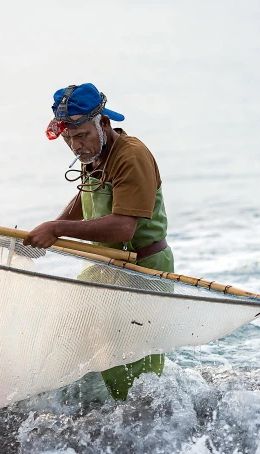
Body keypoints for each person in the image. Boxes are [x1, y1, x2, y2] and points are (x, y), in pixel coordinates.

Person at [23, 83, 174, 400]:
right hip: (102, 267)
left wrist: (56, 229)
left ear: (103, 123)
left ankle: (141, 423)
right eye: (69, 140)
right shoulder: (93, 151)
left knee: (134, 362)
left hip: (142, 270)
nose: (76, 146)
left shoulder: (131, 157)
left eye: (82, 136)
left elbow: (123, 228)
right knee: (74, 340)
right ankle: (92, 415)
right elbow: (84, 198)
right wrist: (48, 234)